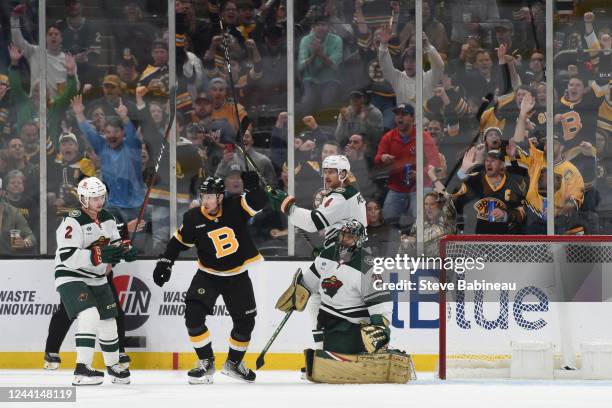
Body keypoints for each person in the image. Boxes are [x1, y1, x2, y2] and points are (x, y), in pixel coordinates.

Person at [152, 173, 267, 384]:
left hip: (237, 275)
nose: (206, 201)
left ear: (221, 197)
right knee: (193, 316)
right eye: (203, 196)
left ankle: (234, 364)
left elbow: (261, 201)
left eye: (210, 196)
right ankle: (206, 362)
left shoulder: (235, 206)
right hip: (208, 276)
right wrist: (166, 261)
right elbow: (178, 242)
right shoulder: (193, 218)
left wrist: (254, 187)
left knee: (245, 322)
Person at [275, 220, 413, 383]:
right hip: (328, 321)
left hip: (352, 325)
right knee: (314, 301)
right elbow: (308, 284)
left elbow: (380, 304)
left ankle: (334, 358)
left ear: (359, 240)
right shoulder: (327, 254)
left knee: (338, 357)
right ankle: (322, 355)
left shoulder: (366, 265)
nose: (344, 239)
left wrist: (380, 330)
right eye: (343, 235)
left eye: (350, 236)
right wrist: (297, 294)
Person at [54, 177, 135, 385]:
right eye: (93, 198)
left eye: (101, 196)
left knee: (108, 320)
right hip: (71, 274)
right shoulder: (72, 219)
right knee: (89, 314)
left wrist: (125, 250)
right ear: (83, 199)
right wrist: (99, 255)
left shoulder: (107, 217)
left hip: (97, 277)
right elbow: (68, 255)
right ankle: (82, 370)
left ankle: (113, 365)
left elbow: (115, 244)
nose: (99, 201)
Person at [267, 155, 367, 248]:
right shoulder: (350, 192)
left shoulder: (341, 197)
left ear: (342, 174)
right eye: (325, 172)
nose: (327, 176)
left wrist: (288, 206)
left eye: (331, 172)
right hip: (349, 249)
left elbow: (313, 222)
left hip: (347, 253)